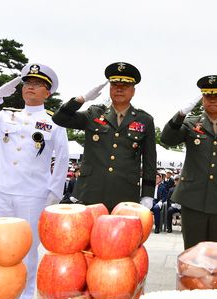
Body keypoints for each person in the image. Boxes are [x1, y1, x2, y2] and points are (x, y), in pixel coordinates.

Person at [0, 63, 69, 299]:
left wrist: (54, 193)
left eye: (37, 84)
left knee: (27, 250)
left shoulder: (54, 122)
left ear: (48, 93)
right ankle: (1, 295)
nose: (30, 88)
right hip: (4, 189)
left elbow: (63, 157)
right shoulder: (6, 115)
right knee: (0, 247)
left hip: (33, 194)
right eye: (27, 83)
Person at [52, 62, 157, 211]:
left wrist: (147, 194)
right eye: (114, 84)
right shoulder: (94, 113)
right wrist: (81, 99)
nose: (119, 89)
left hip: (125, 193)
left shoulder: (144, 120)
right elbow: (59, 119)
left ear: (133, 91)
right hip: (89, 192)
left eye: (125, 85)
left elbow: (149, 162)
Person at [160, 75, 217, 249]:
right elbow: (167, 138)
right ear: (202, 99)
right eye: (208, 96)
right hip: (193, 199)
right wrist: (180, 115)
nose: (213, 100)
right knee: (193, 255)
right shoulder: (190, 124)